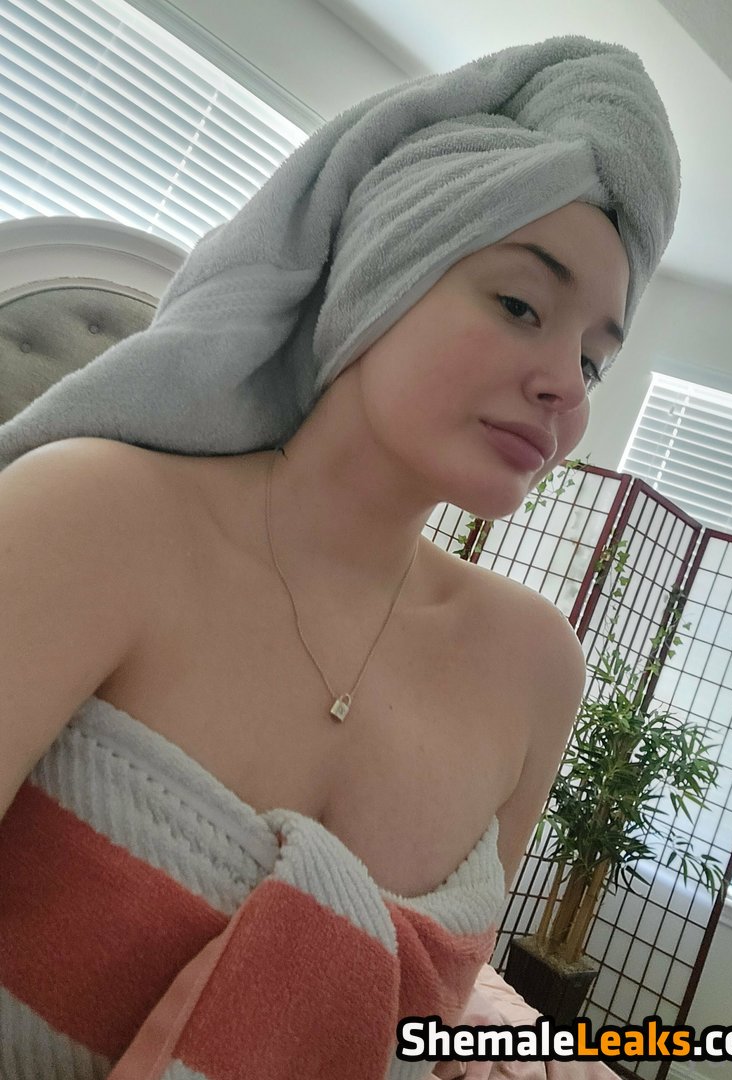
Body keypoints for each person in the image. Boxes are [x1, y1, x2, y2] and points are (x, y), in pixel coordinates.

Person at [0, 35, 679, 1079]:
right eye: (519, 305)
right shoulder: (93, 515)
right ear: (379, 274)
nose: (565, 386)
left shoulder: (537, 669)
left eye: (594, 358)